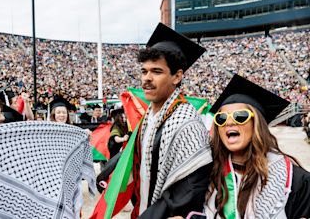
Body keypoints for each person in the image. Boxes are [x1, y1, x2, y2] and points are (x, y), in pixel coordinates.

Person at [131, 23, 212, 218]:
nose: (147, 78)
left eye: (156, 72)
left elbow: (188, 190)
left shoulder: (187, 124)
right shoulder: (149, 116)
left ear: (177, 76)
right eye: (144, 71)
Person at [205, 74, 310, 218]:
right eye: (221, 118)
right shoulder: (207, 174)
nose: (229, 123)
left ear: (258, 124)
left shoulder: (296, 181)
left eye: (240, 116)